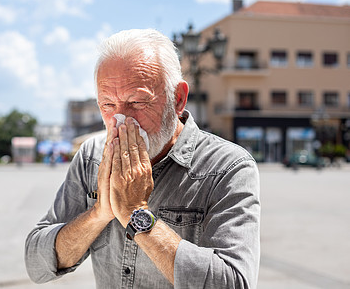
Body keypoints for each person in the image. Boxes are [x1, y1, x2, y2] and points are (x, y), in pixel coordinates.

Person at [25, 29, 260, 288]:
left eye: (137, 102)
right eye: (107, 105)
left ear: (178, 99)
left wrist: (137, 214)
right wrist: (98, 214)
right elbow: (36, 265)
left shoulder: (228, 167)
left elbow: (234, 282)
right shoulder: (92, 156)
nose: (121, 120)